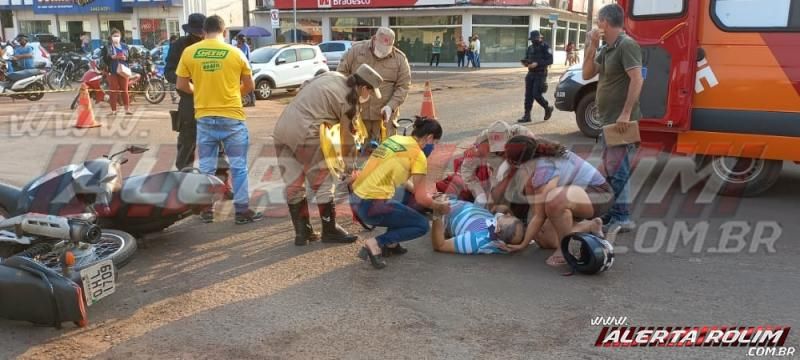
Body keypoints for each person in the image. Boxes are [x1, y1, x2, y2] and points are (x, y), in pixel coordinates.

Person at [274, 64, 383, 246]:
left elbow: (304, 86)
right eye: (370, 92)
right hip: (306, 132)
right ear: (364, 88)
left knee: (294, 184)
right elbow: (347, 140)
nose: (369, 96)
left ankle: (303, 233)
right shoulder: (350, 102)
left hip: (282, 128)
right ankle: (330, 231)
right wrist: (349, 170)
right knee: (324, 182)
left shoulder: (332, 75)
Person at [176, 14, 262, 225]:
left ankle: (206, 209)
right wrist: (234, 94)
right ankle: (242, 211)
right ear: (224, 32)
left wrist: (199, 92)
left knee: (206, 167)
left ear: (204, 32)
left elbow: (181, 85)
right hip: (232, 117)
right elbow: (249, 86)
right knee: (238, 166)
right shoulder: (236, 53)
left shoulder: (190, 52)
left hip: (204, 117)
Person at [350, 118, 450, 269]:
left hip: (356, 200)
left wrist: (425, 195)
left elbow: (404, 183)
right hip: (371, 206)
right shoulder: (418, 155)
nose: (434, 148)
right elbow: (422, 199)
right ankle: (376, 243)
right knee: (421, 225)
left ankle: (392, 244)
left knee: (408, 197)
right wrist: (439, 206)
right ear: (429, 138)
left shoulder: (395, 139)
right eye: (435, 143)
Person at [501, 135, 612, 266]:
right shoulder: (536, 154)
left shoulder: (543, 168)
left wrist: (523, 244)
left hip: (599, 194)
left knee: (554, 200)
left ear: (516, 163)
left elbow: (541, 214)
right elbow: (538, 215)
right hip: (576, 197)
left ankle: (564, 249)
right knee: (544, 240)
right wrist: (527, 240)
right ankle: (589, 226)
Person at [582, 3, 643, 233]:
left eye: (599, 21)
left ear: (605, 23)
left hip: (620, 122)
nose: (597, 25)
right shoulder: (607, 48)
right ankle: (615, 213)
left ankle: (622, 216)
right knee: (611, 169)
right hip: (608, 121)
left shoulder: (627, 45)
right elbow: (587, 73)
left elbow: (637, 79)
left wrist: (626, 113)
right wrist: (592, 46)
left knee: (619, 170)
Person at [165, 13, 231, 191]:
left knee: (219, 144)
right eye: (196, 33)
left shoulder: (219, 47)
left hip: (214, 101)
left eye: (201, 32)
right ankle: (185, 185)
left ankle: (223, 184)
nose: (199, 35)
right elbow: (169, 71)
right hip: (189, 100)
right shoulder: (180, 46)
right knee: (187, 142)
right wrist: (187, 79)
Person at [338, 27, 411, 145]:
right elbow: (341, 75)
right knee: (356, 152)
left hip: (384, 118)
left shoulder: (400, 59)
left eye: (386, 49)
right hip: (358, 115)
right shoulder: (356, 51)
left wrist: (391, 106)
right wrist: (353, 96)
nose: (382, 53)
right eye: (380, 49)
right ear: (374, 39)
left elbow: (403, 86)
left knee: (385, 154)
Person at [459, 121, 534, 210]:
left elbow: (538, 157)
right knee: (495, 203)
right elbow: (467, 169)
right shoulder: (482, 143)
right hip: (497, 173)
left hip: (523, 169)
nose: (502, 152)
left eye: (504, 149)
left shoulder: (523, 135)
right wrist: (479, 194)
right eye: (497, 150)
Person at [430, 200, 524, 255]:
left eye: (507, 216)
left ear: (497, 229)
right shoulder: (498, 226)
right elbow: (503, 210)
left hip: (447, 210)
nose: (507, 214)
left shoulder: (475, 240)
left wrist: (437, 212)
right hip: (458, 203)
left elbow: (440, 245)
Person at [518, 30, 554, 123]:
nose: (534, 40)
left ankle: (547, 108)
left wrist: (537, 64)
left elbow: (550, 60)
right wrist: (526, 63)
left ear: (539, 38)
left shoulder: (545, 47)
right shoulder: (530, 48)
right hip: (530, 73)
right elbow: (527, 58)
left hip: (541, 73)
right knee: (528, 95)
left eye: (536, 38)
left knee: (536, 94)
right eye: (532, 39)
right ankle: (527, 115)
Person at [106, 29, 132, 116]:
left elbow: (129, 58)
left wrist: (125, 58)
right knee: (113, 91)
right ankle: (114, 110)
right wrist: (113, 57)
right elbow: (107, 58)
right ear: (111, 37)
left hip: (123, 70)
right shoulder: (109, 46)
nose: (116, 38)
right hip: (113, 70)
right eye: (114, 36)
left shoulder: (125, 46)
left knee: (125, 90)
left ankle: (127, 109)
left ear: (120, 37)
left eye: (117, 36)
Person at [235, 33, 256, 107]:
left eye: (241, 40)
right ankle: (241, 100)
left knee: (248, 84)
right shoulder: (236, 47)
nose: (239, 42)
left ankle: (252, 101)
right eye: (238, 40)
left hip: (246, 67)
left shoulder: (245, 46)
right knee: (238, 85)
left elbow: (247, 58)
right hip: (238, 68)